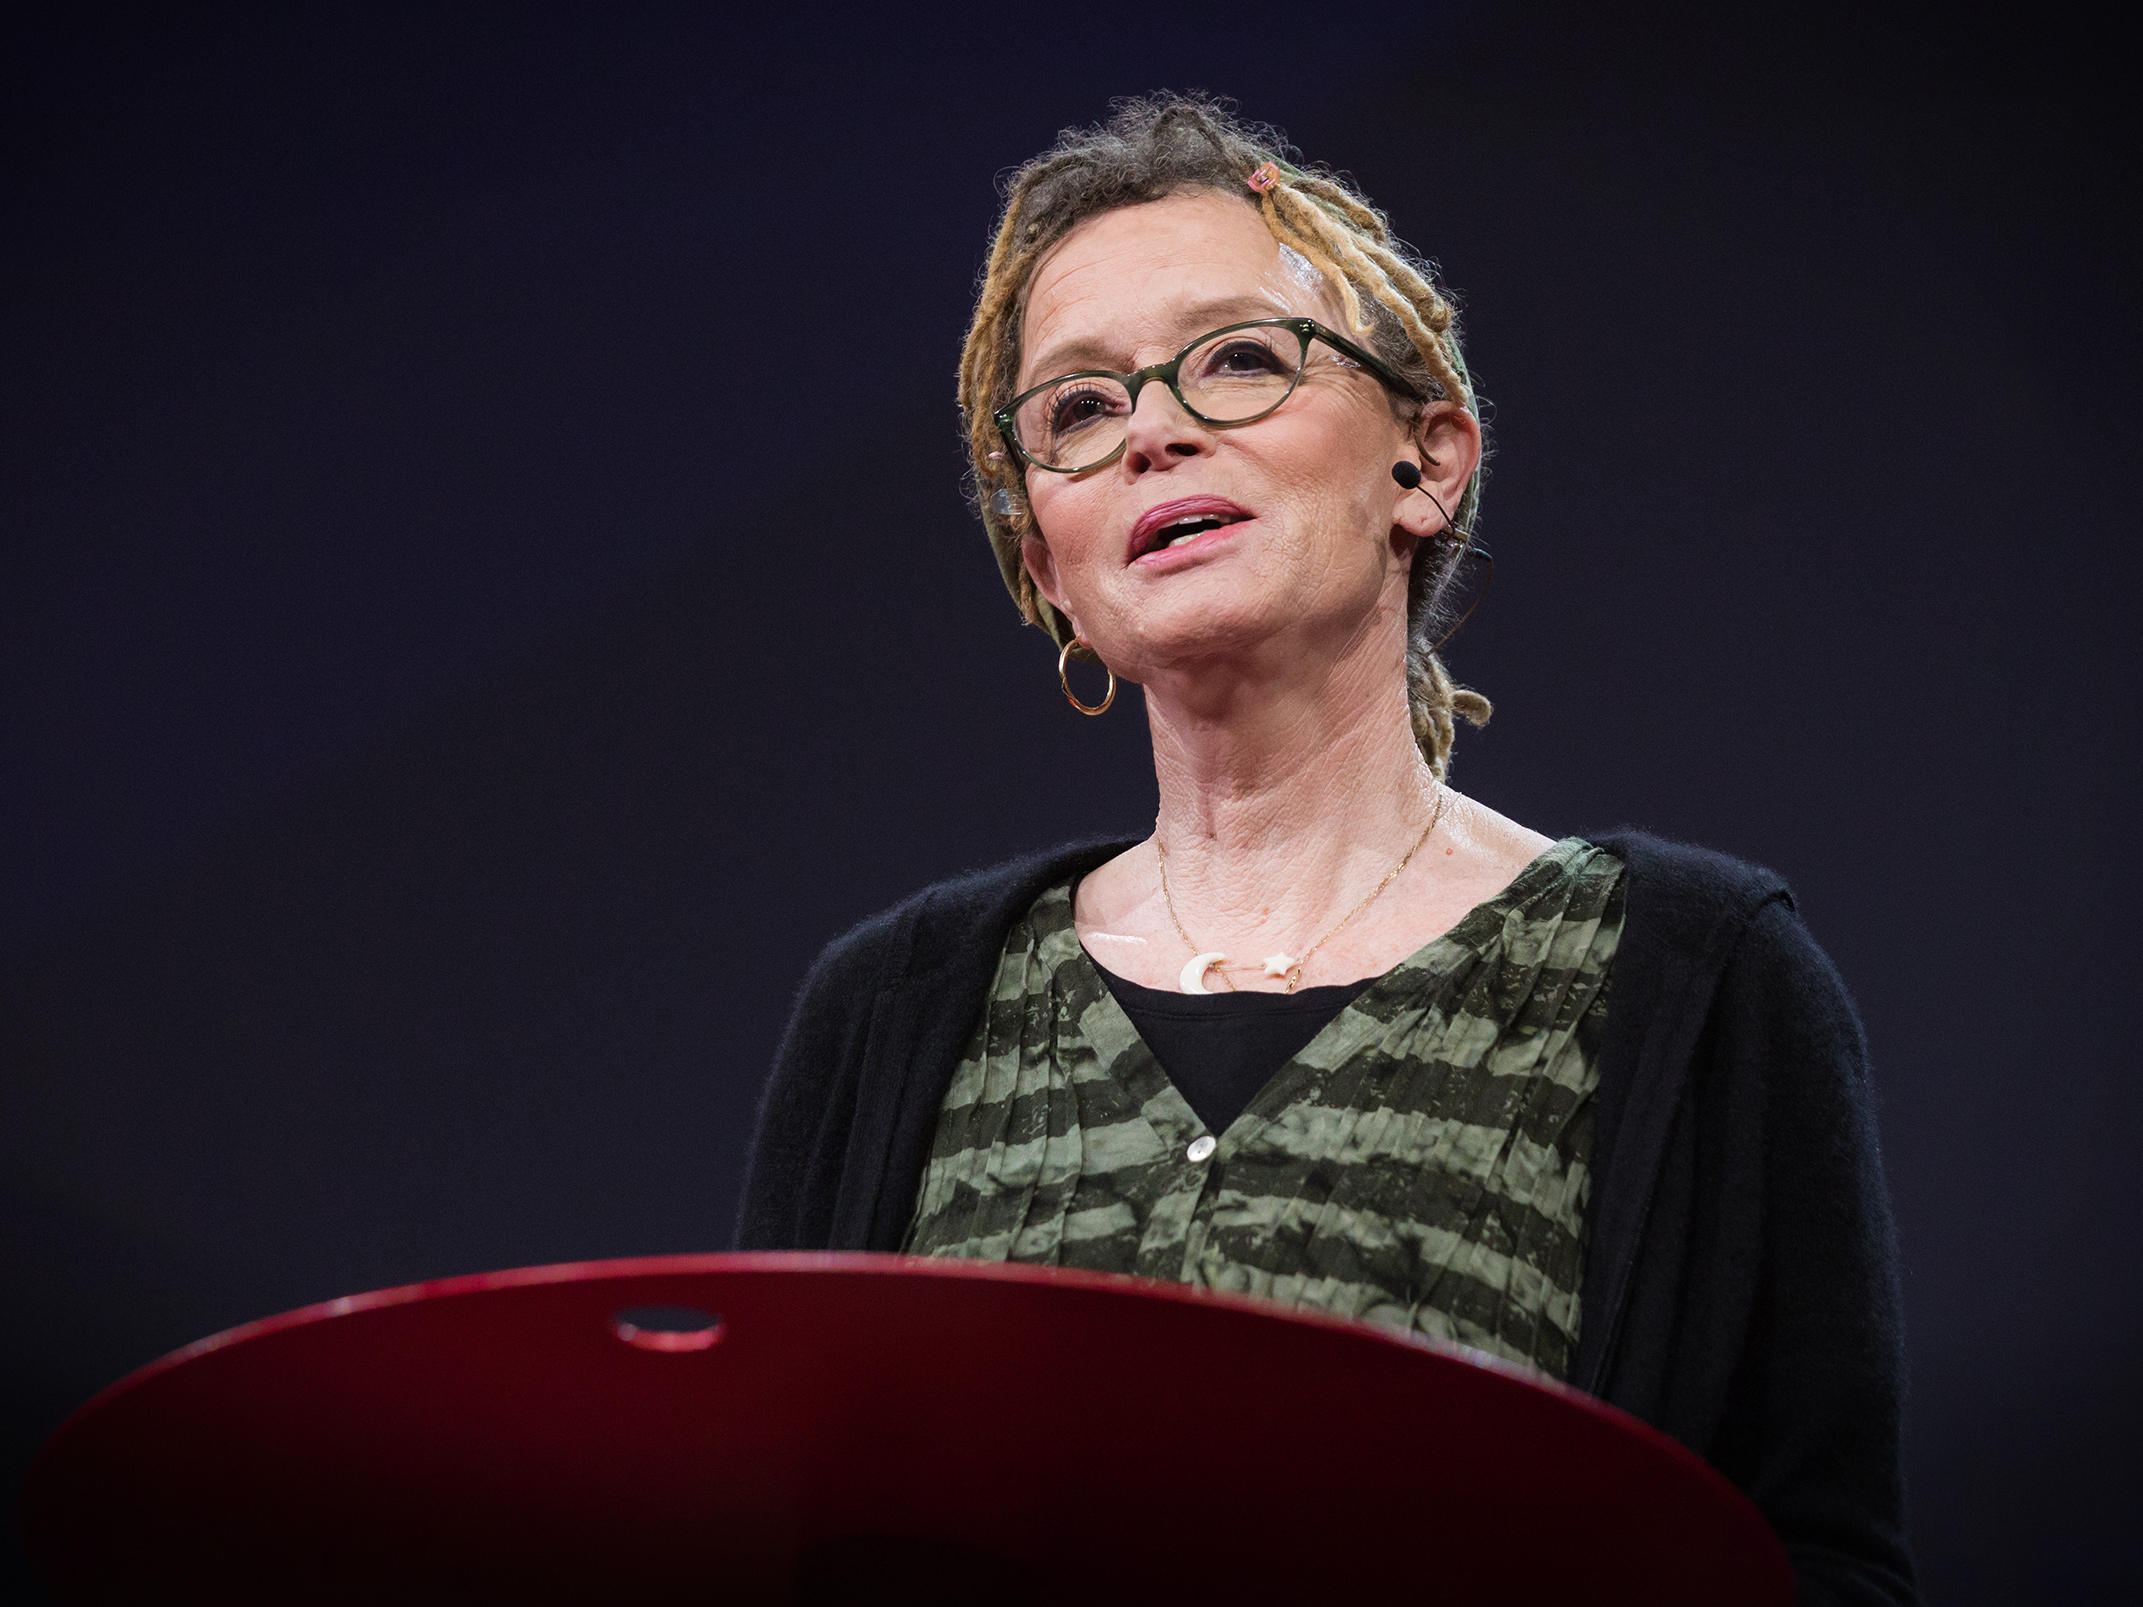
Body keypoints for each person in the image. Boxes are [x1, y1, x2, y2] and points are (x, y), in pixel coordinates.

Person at [736, 95, 1916, 1604]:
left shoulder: (1698, 984)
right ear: (1049, 566)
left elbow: (1821, 1566)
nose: (1153, 428)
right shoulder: (892, 1012)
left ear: (1426, 461)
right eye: (1078, 411)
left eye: (1238, 359)